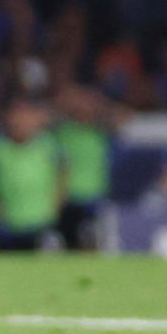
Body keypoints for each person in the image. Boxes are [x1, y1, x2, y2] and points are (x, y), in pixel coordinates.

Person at [0, 99, 62, 251]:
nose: (21, 123)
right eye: (16, 117)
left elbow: (64, 170)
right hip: (7, 223)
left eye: (26, 118)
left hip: (41, 221)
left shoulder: (48, 145)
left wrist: (57, 202)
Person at [52, 84, 112, 252]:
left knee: (94, 242)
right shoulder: (63, 132)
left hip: (94, 197)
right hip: (68, 197)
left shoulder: (100, 132)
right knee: (69, 243)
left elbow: (125, 118)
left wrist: (100, 104)